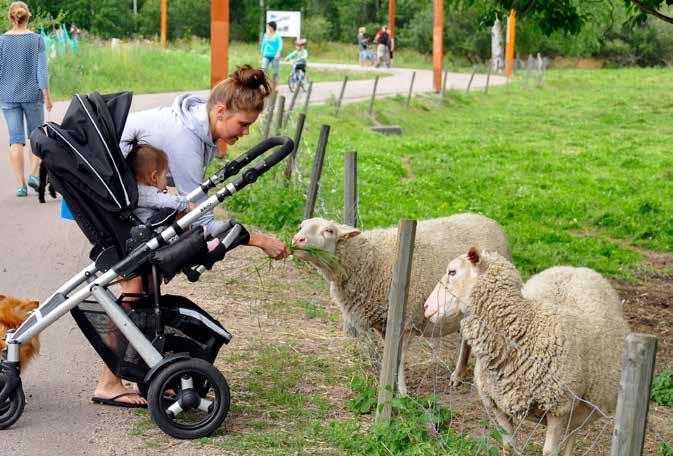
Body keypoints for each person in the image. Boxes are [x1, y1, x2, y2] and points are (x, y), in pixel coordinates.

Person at [90, 65, 291, 408]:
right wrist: (257, 239)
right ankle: (109, 382)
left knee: (147, 289)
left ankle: (139, 375)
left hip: (126, 200)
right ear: (220, 111)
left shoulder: (197, 128)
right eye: (243, 124)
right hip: (111, 201)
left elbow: (189, 207)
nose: (245, 133)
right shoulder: (184, 140)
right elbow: (201, 215)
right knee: (135, 290)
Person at [0, 1, 52, 197]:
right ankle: (33, 175)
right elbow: (42, 72)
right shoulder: (36, 40)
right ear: (28, 17)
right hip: (32, 95)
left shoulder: (1, 41)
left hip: (7, 96)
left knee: (15, 141)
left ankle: (21, 186)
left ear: (10, 18)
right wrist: (47, 96)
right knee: (37, 138)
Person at [126, 143, 195, 224]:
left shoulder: (133, 191)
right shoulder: (145, 193)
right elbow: (169, 202)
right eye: (165, 176)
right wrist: (187, 205)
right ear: (154, 177)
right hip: (154, 230)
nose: (166, 179)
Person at [260, 21, 282, 90]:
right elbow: (263, 44)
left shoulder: (277, 36)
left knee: (275, 71)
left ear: (273, 27)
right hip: (266, 54)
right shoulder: (266, 34)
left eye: (269, 26)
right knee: (263, 68)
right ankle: (263, 83)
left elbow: (280, 44)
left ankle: (276, 84)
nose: (268, 28)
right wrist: (261, 52)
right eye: (268, 26)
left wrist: (278, 52)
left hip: (274, 56)